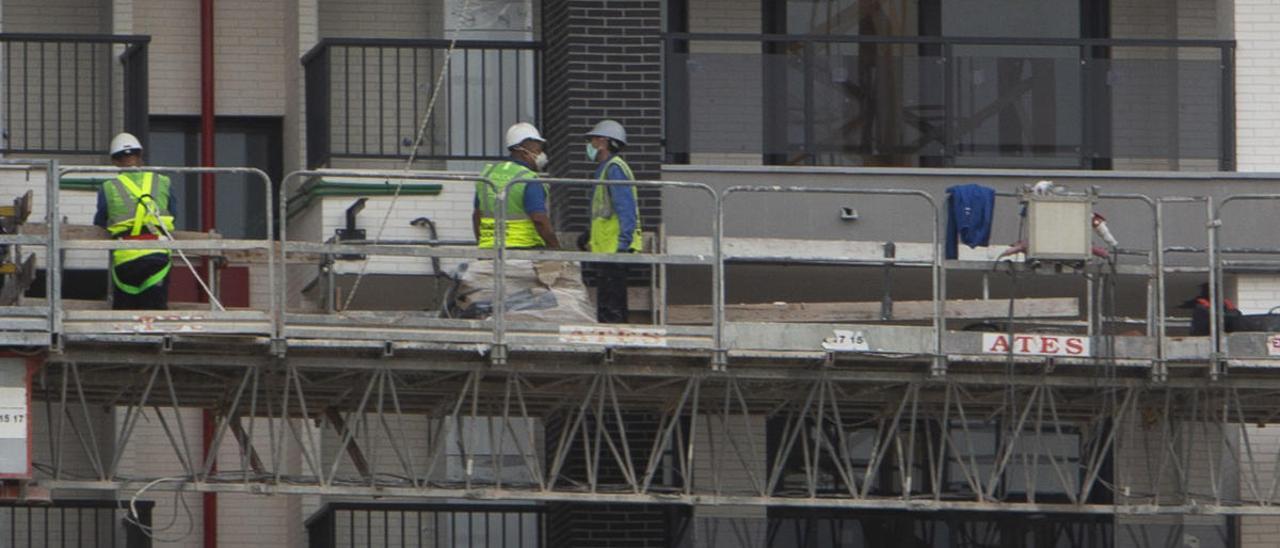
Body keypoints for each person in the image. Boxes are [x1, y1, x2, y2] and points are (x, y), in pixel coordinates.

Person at [93, 132, 176, 310]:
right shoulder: (162, 181)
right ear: (140, 155)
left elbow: (100, 221)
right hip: (157, 256)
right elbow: (173, 213)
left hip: (126, 260)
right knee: (155, 315)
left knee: (125, 316)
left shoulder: (109, 187)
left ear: (115, 161)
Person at [579, 120, 641, 323]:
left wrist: (623, 245)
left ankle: (615, 346)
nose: (590, 144)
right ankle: (610, 345)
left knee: (612, 305)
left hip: (615, 248)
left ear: (604, 142)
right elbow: (603, 210)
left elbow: (626, 209)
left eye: (593, 139)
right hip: (607, 248)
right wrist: (589, 235)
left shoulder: (615, 169)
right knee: (607, 302)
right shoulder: (605, 170)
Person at [473, 122, 559, 249]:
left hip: (489, 249)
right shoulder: (528, 179)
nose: (541, 156)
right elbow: (539, 219)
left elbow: (477, 216)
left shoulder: (487, 174)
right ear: (523, 152)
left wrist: (483, 244)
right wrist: (555, 248)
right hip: (523, 249)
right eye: (537, 151)